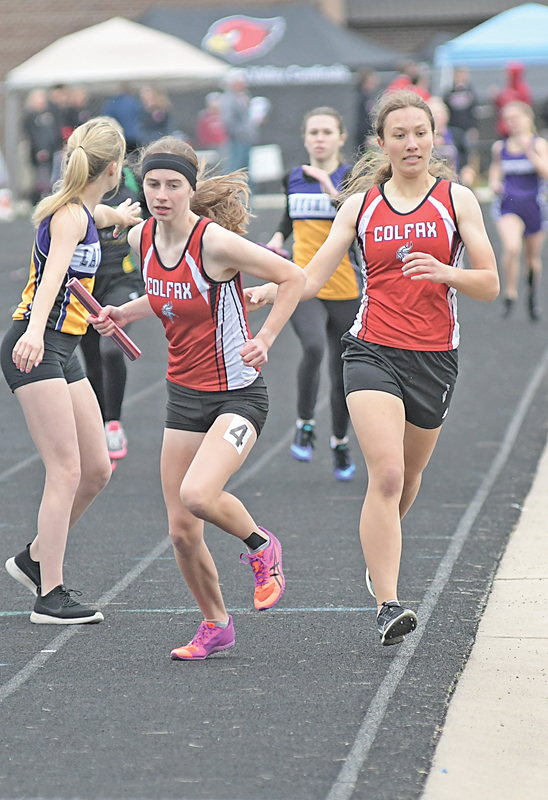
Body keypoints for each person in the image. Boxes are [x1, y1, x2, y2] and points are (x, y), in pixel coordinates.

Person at [247, 90, 499, 646]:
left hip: (435, 358)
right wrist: (274, 288)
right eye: (399, 134)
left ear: (434, 138)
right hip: (371, 349)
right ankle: (388, 603)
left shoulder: (456, 200)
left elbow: (489, 283)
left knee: (407, 483)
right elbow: (311, 277)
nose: (411, 143)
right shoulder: (361, 206)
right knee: (384, 475)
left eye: (420, 133)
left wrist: (445, 272)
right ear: (381, 144)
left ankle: (377, 555)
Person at [90, 136, 305, 660]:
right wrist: (126, 313)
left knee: (199, 495)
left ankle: (261, 545)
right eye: (154, 185)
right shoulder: (142, 238)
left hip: (238, 395)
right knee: (183, 532)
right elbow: (169, 294)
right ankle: (216, 625)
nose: (162, 195)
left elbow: (293, 276)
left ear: (191, 189)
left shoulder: (215, 243)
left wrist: (266, 338)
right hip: (184, 397)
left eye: (174, 186)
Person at [2, 118, 142, 624]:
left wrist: (121, 217)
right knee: (65, 469)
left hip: (66, 347)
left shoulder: (86, 208)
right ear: (115, 167)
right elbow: (51, 279)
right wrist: (36, 334)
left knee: (98, 468)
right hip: (37, 345)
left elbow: (101, 213)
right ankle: (50, 594)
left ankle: (34, 557)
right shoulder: (68, 218)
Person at [265, 107, 360, 481]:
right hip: (302, 283)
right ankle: (305, 422)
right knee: (313, 347)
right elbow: (290, 216)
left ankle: (339, 441)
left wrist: (331, 189)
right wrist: (277, 237)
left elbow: (357, 222)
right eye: (313, 132)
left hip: (345, 287)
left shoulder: (352, 177)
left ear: (340, 137)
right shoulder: (294, 177)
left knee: (343, 373)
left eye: (327, 132)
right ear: (305, 138)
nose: (319, 138)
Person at [80, 139, 145, 464]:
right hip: (86, 285)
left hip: (123, 279)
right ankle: (101, 423)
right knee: (91, 360)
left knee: (110, 348)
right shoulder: (76, 190)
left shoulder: (134, 182)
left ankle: (114, 423)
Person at [489, 100, 548, 320]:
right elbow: (495, 171)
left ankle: (532, 296)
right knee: (512, 248)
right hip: (509, 206)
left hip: (533, 206)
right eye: (508, 119)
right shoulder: (500, 147)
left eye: (516, 118)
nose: (512, 123)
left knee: (532, 257)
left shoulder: (538, 144)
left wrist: (530, 152)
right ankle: (510, 293)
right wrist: (495, 183)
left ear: (528, 118)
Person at [220, 69, 262, 174]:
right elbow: (228, 119)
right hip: (237, 138)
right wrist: (239, 133)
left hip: (245, 138)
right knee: (236, 166)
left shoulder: (243, 96)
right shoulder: (229, 98)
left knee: (245, 167)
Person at [443, 66, 478, 183]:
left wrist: (474, 128)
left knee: (469, 152)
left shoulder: (470, 91)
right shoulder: (450, 92)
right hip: (454, 128)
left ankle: (471, 178)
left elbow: (474, 111)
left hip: (467, 128)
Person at [494, 63, 532, 138]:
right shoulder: (507, 89)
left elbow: (526, 109)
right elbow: (501, 106)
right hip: (504, 129)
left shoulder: (522, 90)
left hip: (519, 129)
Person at [355, 68, 380, 153]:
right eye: (372, 82)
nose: (375, 84)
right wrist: (368, 136)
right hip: (364, 137)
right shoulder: (362, 98)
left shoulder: (368, 97)